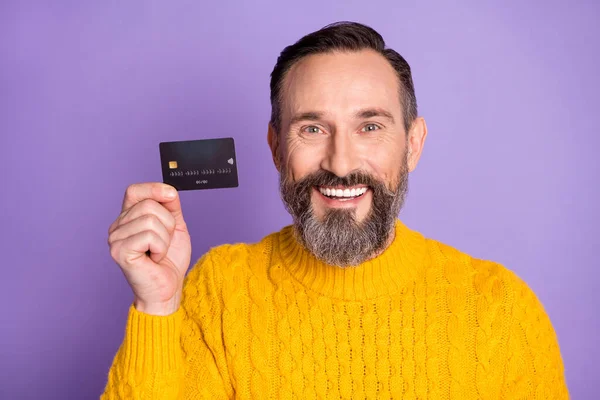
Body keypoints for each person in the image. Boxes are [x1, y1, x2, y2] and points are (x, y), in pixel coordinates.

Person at [101, 22, 569, 399]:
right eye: (311, 129)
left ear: (413, 144)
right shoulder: (217, 291)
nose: (340, 163)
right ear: (276, 147)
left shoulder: (501, 312)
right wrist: (157, 306)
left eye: (369, 126)